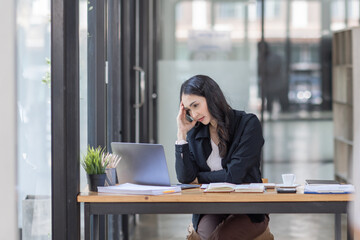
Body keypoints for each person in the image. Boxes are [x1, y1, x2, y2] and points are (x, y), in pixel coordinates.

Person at [175, 75, 271, 240]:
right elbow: (185, 178)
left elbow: (234, 175)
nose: (194, 114)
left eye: (196, 105)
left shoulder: (248, 124)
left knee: (219, 238)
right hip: (212, 206)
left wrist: (198, 179)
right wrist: (181, 133)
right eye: (189, 110)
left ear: (211, 97)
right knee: (204, 236)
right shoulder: (195, 132)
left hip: (247, 208)